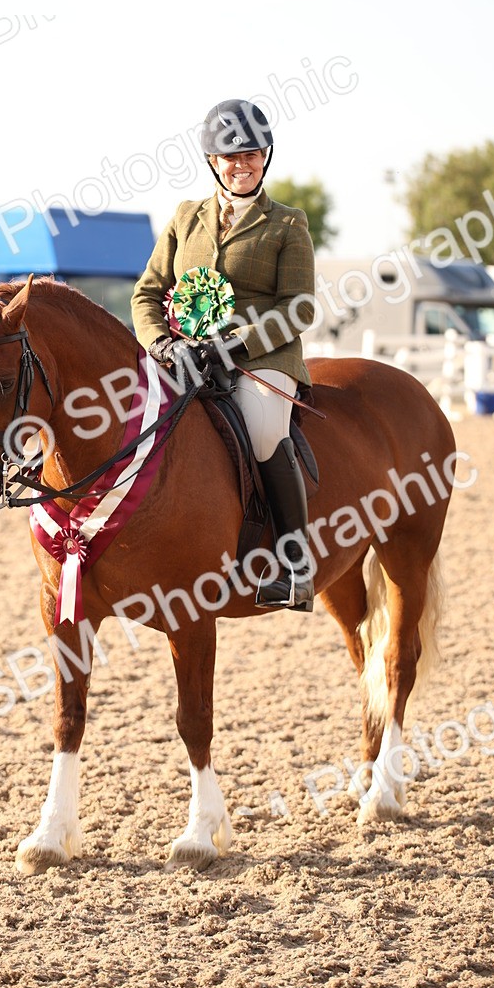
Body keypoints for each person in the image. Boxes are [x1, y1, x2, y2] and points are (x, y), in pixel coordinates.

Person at [131, 98, 316, 611]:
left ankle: (296, 564)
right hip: (185, 354)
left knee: (261, 429)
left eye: (252, 154)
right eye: (231, 157)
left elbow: (298, 309)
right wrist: (163, 344)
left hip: (263, 359)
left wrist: (234, 346)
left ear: (266, 157)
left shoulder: (287, 223)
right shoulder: (185, 218)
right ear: (213, 162)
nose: (242, 165)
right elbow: (146, 293)